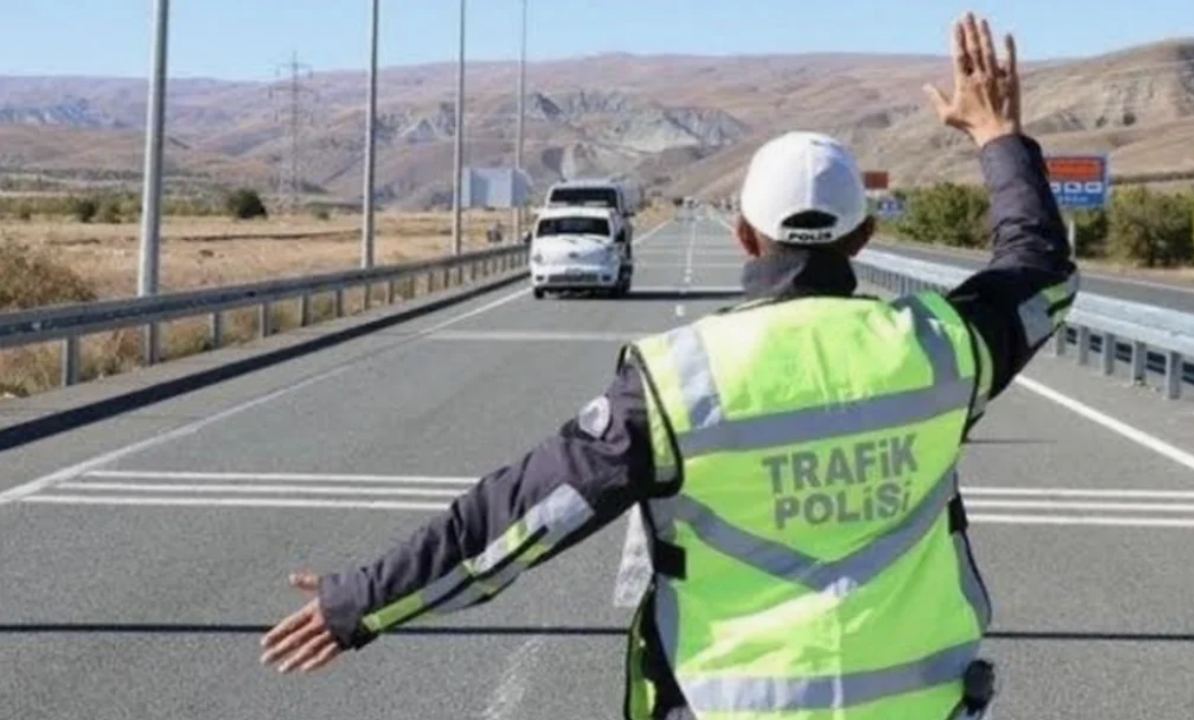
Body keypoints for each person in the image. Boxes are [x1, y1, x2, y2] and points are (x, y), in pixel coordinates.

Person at [260, 11, 1077, 720]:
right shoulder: (939, 347)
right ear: (862, 241)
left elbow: (510, 523)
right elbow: (1040, 269)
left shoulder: (680, 384)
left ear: (744, 237)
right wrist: (998, 136)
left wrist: (362, 602)